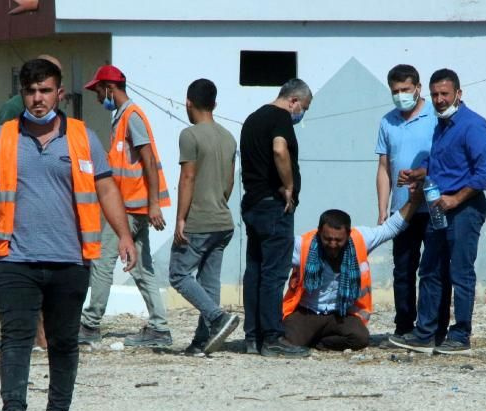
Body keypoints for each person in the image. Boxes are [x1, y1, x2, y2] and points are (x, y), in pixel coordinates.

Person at [0, 58, 136, 411]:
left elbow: (106, 189)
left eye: (45, 90)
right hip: (14, 258)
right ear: (22, 94)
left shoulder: (83, 137)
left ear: (60, 94)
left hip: (70, 259)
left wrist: (124, 235)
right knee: (16, 336)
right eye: (30, 91)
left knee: (63, 339)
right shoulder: (1, 138)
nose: (38, 99)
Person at [389, 68, 486, 355]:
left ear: (458, 94)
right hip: (439, 208)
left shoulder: (473, 126)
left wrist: (456, 198)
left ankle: (460, 335)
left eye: (444, 94)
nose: (438, 99)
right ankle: (426, 334)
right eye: (435, 94)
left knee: (460, 272)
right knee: (431, 270)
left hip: (464, 210)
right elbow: (445, 168)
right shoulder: (441, 126)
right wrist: (420, 174)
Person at [79, 65, 172, 347]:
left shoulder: (132, 117)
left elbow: (149, 160)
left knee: (103, 261)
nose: (97, 97)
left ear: (110, 88)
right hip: (130, 207)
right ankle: (159, 327)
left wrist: (154, 204)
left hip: (130, 208)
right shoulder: (122, 118)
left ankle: (90, 324)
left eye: (98, 90)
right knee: (142, 268)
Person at [283, 194, 421, 351]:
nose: (333, 244)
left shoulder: (361, 239)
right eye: (327, 239)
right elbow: (275, 248)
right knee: (288, 342)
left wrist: (414, 200)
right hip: (307, 311)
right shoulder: (302, 245)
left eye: (338, 240)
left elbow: (390, 228)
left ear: (348, 235)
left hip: (340, 313)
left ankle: (320, 342)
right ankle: (309, 334)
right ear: (319, 232)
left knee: (360, 338)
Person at [375, 64, 451, 343]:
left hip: (433, 205)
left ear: (418, 88)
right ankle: (404, 325)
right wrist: (383, 209)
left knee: (434, 270)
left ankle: (435, 328)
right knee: (403, 269)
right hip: (402, 210)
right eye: (395, 91)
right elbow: (384, 167)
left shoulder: (436, 116)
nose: (400, 96)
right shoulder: (387, 122)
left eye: (405, 90)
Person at [0, 54, 64, 351]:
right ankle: (37, 337)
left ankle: (43, 336)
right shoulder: (13, 111)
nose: (41, 96)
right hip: (19, 206)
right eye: (35, 89)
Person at [240, 78, 312, 358]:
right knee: (274, 273)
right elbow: (279, 149)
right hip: (274, 206)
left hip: (253, 203)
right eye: (303, 107)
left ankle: (253, 336)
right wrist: (289, 185)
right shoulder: (280, 117)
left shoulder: (253, 118)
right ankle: (272, 337)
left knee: (255, 270)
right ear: (293, 100)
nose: (300, 113)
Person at [168, 79, 238, 356]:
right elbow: (230, 181)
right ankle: (202, 341)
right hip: (223, 219)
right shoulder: (229, 136)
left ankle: (218, 318)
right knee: (209, 282)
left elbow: (188, 177)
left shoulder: (190, 135)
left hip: (199, 219)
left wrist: (180, 219)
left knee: (178, 274)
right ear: (215, 104)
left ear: (188, 102)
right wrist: (219, 203)